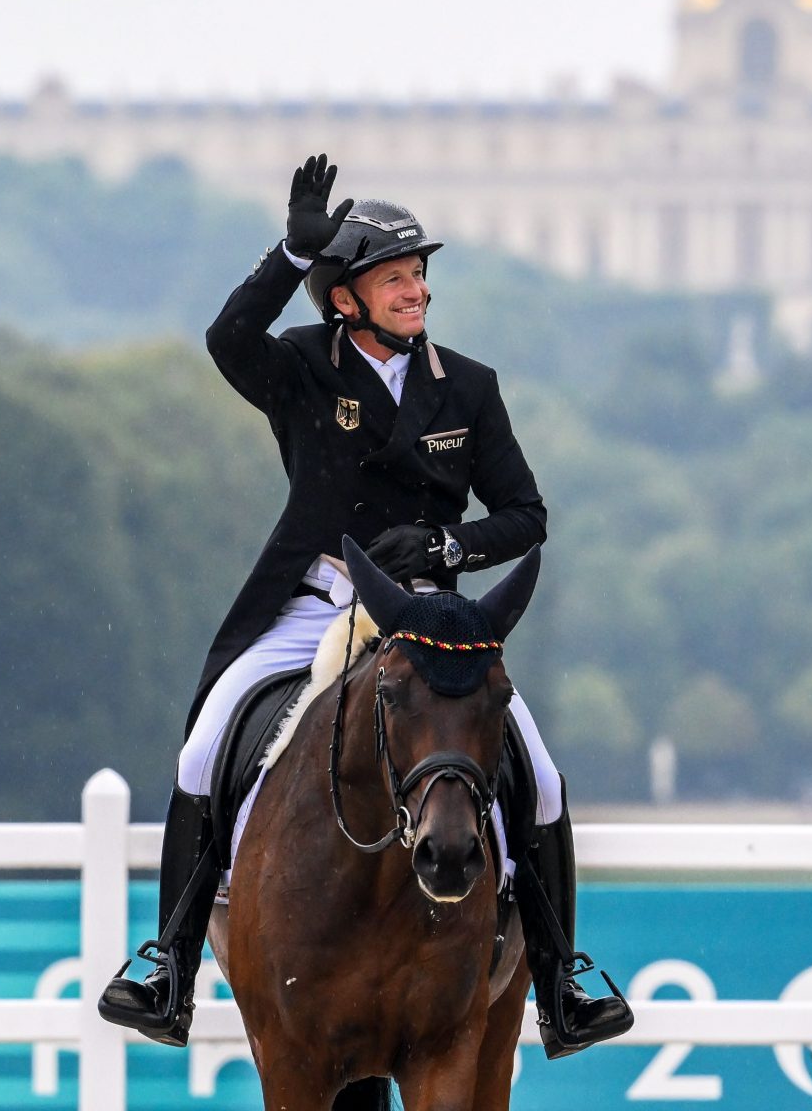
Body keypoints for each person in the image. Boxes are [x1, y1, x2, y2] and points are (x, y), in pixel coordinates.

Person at [97, 154, 632, 1055]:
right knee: (202, 750)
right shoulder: (302, 368)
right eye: (395, 278)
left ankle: (561, 978)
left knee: (537, 773)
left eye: (420, 274)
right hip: (313, 604)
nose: (417, 290)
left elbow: (524, 516)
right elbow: (227, 338)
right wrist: (288, 253)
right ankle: (169, 965)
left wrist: (446, 547)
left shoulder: (467, 385)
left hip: (426, 617)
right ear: (345, 297)